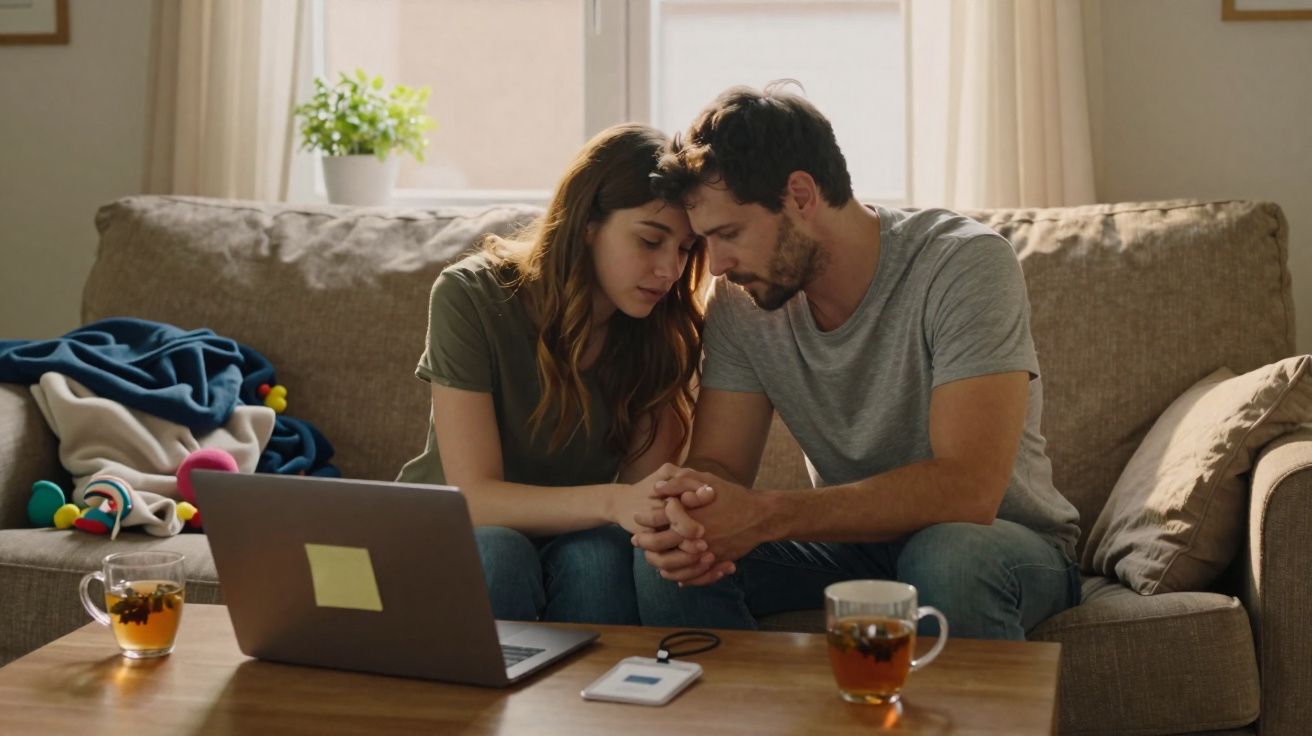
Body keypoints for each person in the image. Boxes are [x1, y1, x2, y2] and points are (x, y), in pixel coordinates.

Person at [630, 82, 1082, 639]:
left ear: (799, 195)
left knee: (948, 557)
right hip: (848, 548)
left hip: (997, 540)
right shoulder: (743, 302)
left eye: (729, 233)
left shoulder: (962, 262)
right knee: (672, 559)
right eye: (706, 241)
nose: (716, 264)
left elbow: (967, 490)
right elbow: (721, 464)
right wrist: (692, 508)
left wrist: (765, 515)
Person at [397, 124, 708, 625]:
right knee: (501, 550)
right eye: (651, 241)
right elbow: (474, 497)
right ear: (587, 223)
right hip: (464, 530)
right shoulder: (470, 296)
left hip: (575, 540)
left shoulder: (660, 331)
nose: (671, 270)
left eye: (686, 249)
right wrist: (614, 502)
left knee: (600, 557)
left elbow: (641, 505)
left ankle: (595, 703)